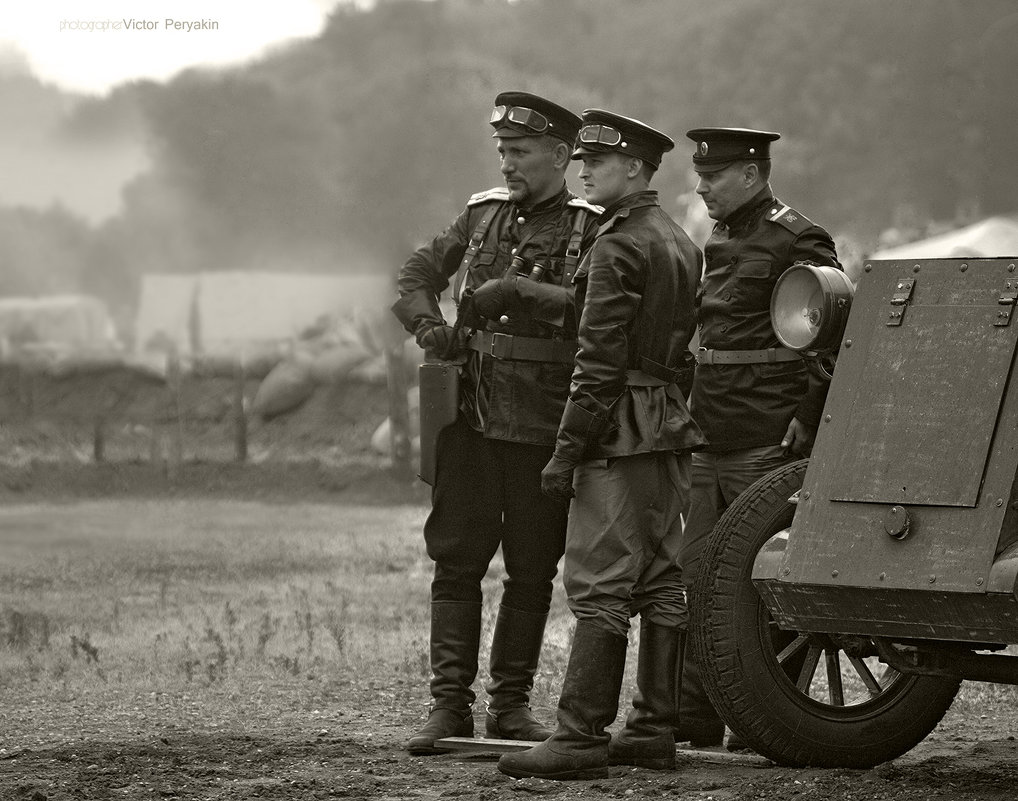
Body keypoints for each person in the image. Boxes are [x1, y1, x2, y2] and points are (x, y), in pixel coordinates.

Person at [497, 109, 705, 781]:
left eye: (598, 163)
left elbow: (596, 362)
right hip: (668, 427)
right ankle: (651, 728)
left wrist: (564, 450)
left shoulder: (616, 245)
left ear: (637, 170)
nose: (584, 171)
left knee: (600, 582)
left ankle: (581, 734)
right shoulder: (677, 239)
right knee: (661, 577)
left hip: (617, 428)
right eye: (582, 161)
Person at [391, 91, 600, 755]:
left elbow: (600, 309)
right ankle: (448, 705)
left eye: (520, 152)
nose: (508, 164)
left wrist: (522, 293)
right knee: (455, 563)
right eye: (502, 152)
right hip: (472, 423)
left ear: (561, 156)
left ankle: (510, 707)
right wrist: (428, 323)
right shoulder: (481, 216)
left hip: (544, 428)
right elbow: (417, 272)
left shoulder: (590, 228)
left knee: (532, 571)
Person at [675, 127, 841, 750]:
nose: (702, 186)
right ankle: (695, 717)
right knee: (697, 581)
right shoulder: (722, 234)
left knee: (764, 583)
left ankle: (767, 723)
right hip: (709, 431)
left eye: (713, 176)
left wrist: (809, 415)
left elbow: (831, 332)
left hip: (768, 436)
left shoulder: (799, 238)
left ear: (750, 175)